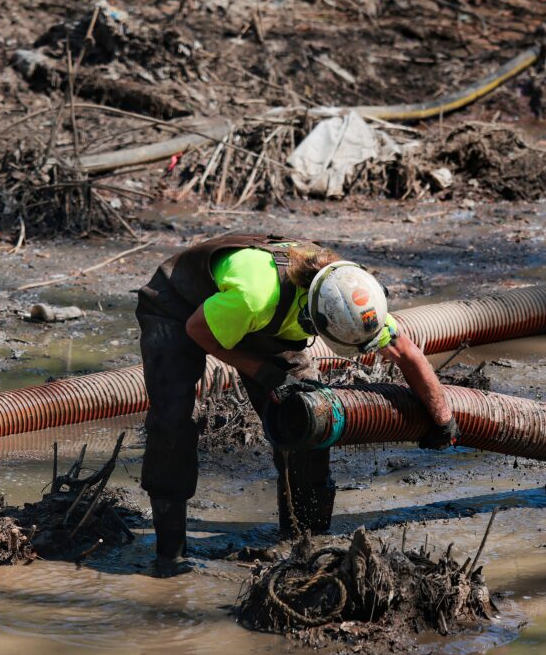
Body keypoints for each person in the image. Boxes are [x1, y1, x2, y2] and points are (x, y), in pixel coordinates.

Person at [135, 234, 459, 576]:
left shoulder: (347, 295)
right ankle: (170, 555)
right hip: (178, 307)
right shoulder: (254, 298)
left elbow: (405, 352)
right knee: (172, 421)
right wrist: (266, 374)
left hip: (264, 319)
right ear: (316, 318)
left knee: (308, 415)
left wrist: (443, 420)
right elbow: (199, 331)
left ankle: (304, 543)